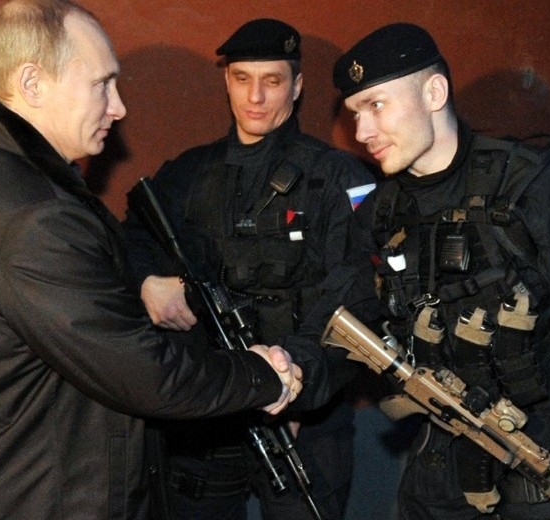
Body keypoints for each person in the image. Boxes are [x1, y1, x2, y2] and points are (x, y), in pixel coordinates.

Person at [0, 2, 303, 519]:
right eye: (102, 84)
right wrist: (259, 374)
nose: (118, 106)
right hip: (38, 494)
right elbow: (143, 373)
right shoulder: (34, 217)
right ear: (32, 84)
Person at [329, 22, 550, 519]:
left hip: (545, 464)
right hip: (440, 465)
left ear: (434, 92)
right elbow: (343, 314)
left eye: (376, 106)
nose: (362, 132)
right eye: (355, 113)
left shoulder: (542, 189)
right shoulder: (377, 213)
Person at [122, 18, 377, 520]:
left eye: (273, 80)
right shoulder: (189, 173)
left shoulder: (337, 177)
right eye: (242, 78)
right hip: (207, 418)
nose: (255, 96)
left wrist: (298, 380)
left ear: (298, 85)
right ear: (227, 81)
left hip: (305, 421)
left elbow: (354, 292)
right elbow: (131, 236)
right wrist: (147, 281)